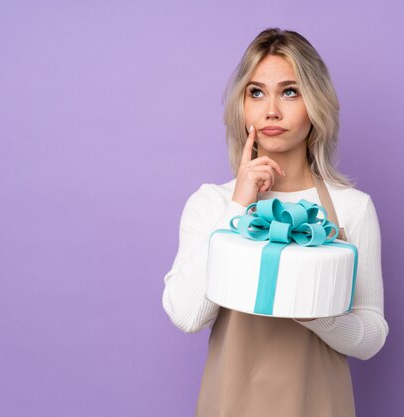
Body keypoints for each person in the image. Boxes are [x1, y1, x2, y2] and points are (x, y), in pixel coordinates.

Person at [162, 27, 389, 417]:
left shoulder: (353, 208)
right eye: (256, 92)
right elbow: (187, 315)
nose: (271, 110)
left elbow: (371, 337)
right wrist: (238, 207)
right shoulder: (212, 203)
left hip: (320, 406)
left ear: (315, 103)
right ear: (242, 106)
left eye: (290, 91)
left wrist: (316, 315)